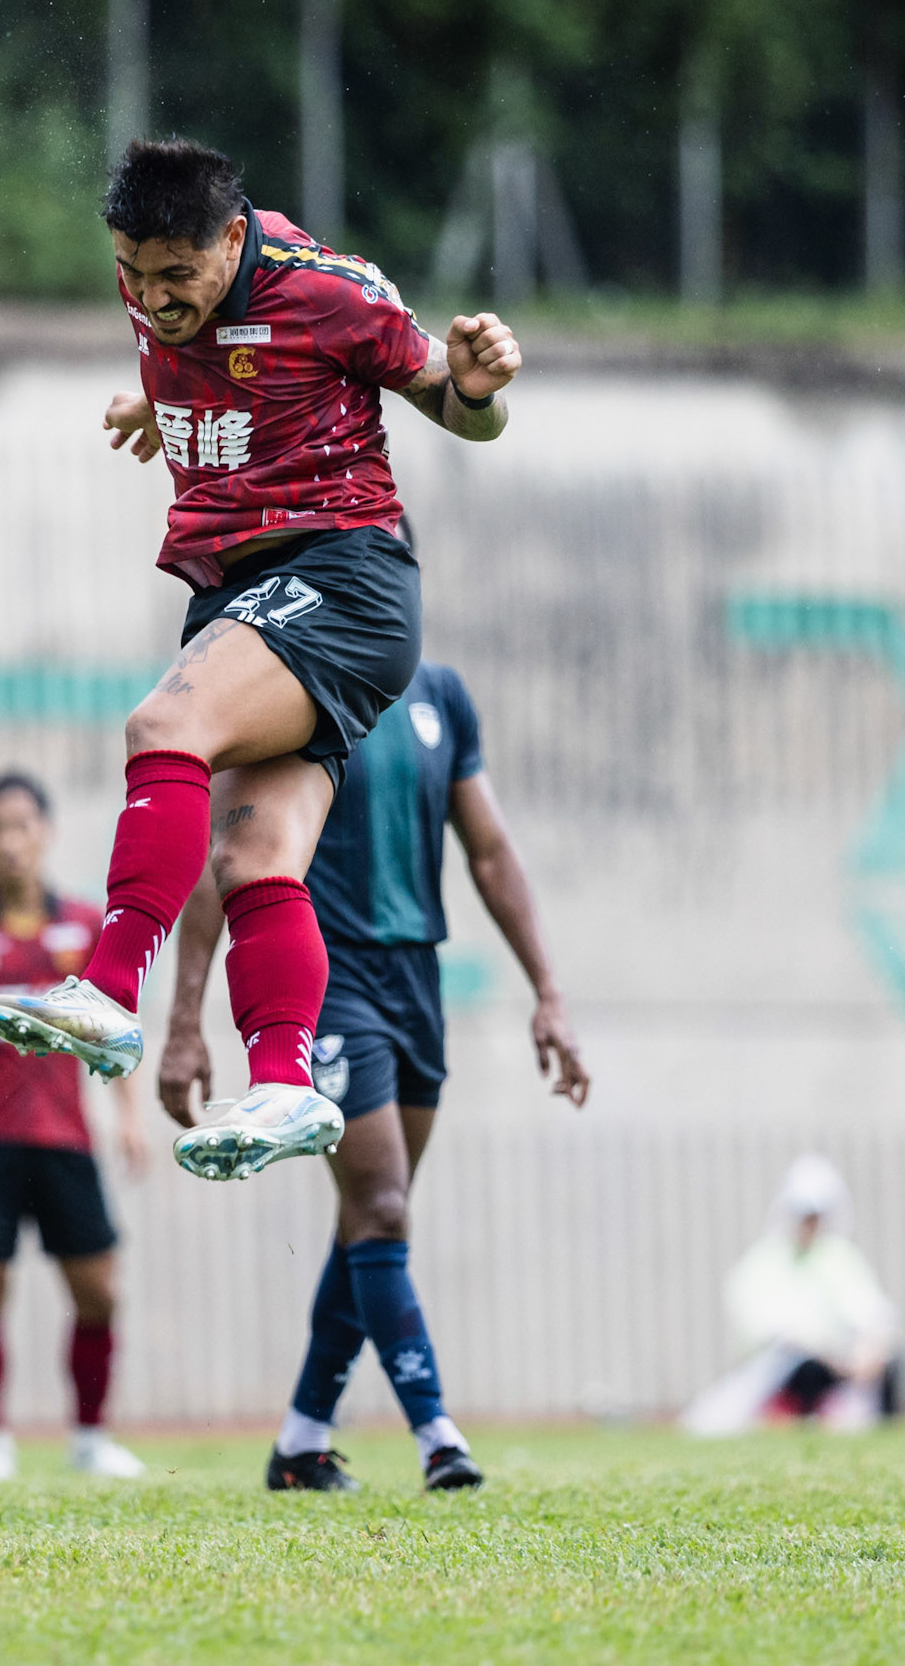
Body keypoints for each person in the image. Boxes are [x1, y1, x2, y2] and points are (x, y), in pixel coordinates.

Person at [0, 137, 522, 1184]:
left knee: (163, 727)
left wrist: (481, 388)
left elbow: (455, 409)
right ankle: (284, 1079)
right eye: (135, 273)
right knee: (253, 860)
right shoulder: (148, 272)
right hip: (241, 589)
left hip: (345, 578)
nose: (153, 295)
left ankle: (107, 989)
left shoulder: (332, 290)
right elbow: (204, 357)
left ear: (234, 240)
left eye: (177, 275)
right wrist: (164, 403)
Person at [160, 618, 589, 1491]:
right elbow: (225, 859)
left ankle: (299, 1443)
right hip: (326, 977)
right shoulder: (288, 688)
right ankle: (437, 1437)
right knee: (383, 1206)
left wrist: (546, 990)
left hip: (415, 980)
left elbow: (491, 850)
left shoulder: (441, 693)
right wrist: (182, 1021)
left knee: (368, 1222)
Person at [0, 769, 148, 1481]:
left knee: (98, 1290)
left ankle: (89, 1437)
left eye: (22, 825)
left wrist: (128, 1112)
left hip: (65, 1138)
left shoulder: (84, 926)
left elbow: (109, 1025)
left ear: (44, 831)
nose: (10, 841)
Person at [682, 1153, 901, 1436]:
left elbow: (871, 1311)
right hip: (795, 1367)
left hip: (842, 1366)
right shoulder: (764, 1261)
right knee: (807, 1370)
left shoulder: (840, 1257)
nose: (811, 1225)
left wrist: (870, 1347)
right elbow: (768, 1329)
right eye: (805, 1216)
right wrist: (824, 1354)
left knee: (890, 1361)